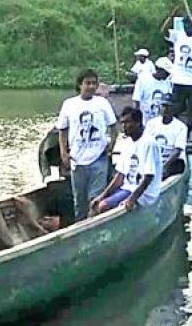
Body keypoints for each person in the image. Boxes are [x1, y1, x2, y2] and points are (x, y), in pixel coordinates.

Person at [56, 69, 117, 221]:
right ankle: (80, 226)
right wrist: (64, 152)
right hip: (77, 160)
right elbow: (62, 131)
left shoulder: (102, 103)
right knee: (79, 201)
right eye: (87, 83)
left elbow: (113, 127)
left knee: (95, 198)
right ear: (79, 85)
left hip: (98, 158)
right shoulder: (69, 104)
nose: (91, 86)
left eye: (94, 83)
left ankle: (93, 226)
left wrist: (111, 146)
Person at [89, 106, 162, 215]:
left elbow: (148, 177)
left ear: (137, 123)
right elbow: (120, 176)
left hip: (144, 193)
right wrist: (102, 195)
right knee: (95, 205)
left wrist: (132, 199)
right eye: (122, 123)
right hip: (127, 188)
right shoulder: (127, 143)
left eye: (127, 123)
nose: (123, 127)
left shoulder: (149, 143)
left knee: (103, 206)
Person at [145, 94, 187, 179]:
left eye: (168, 106)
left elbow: (177, 151)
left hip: (172, 162)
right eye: (163, 106)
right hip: (154, 159)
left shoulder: (181, 127)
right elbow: (146, 145)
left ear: (174, 108)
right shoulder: (151, 124)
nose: (165, 109)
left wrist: (164, 166)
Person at [132, 57, 173, 126]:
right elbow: (136, 100)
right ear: (159, 70)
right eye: (166, 73)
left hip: (161, 121)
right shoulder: (143, 79)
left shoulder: (168, 82)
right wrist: (137, 120)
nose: (168, 75)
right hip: (146, 121)